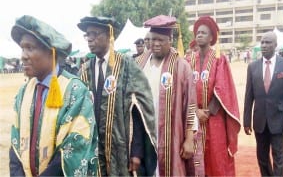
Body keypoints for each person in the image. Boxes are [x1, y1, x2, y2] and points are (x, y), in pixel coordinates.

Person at [9, 15, 98, 176]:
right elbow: (15, 145)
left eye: (30, 48)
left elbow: (73, 151)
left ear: (52, 52)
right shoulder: (24, 92)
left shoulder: (75, 91)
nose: (23, 55)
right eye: (22, 48)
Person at [77, 16, 157, 176]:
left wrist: (136, 151)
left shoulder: (126, 65)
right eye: (87, 35)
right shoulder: (84, 70)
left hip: (121, 150)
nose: (90, 39)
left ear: (109, 35)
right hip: (92, 149)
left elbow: (139, 112)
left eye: (95, 34)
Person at [136, 14, 204, 176]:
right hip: (145, 131)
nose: (155, 44)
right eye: (152, 39)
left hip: (172, 133)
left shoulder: (181, 67)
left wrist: (189, 139)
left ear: (170, 40)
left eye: (160, 40)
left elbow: (191, 105)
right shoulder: (139, 64)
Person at [185, 16, 241, 176]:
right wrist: (195, 110)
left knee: (216, 158)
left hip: (214, 117)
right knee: (193, 160)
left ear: (211, 38)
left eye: (203, 33)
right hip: (193, 117)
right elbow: (184, 88)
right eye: (197, 32)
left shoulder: (219, 60)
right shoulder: (188, 60)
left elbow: (222, 88)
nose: (199, 35)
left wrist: (207, 112)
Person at [243, 31, 283, 176]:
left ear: (275, 45)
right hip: (259, 120)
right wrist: (246, 120)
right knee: (262, 156)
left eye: (268, 42)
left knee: (278, 156)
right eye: (262, 42)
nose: (264, 45)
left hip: (278, 119)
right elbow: (249, 96)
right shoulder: (252, 67)